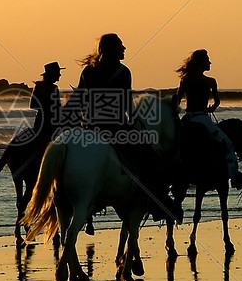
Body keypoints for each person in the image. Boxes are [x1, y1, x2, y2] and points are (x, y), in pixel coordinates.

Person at [73, 33, 182, 227]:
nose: (124, 48)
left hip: (90, 127)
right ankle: (158, 204)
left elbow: (79, 100)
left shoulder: (88, 71)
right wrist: (134, 121)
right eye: (120, 46)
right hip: (115, 128)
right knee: (149, 157)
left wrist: (81, 122)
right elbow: (126, 102)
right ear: (111, 49)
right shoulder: (123, 71)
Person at [176, 49, 242, 190]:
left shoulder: (186, 79)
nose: (210, 62)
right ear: (200, 63)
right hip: (202, 118)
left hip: (188, 118)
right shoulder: (210, 81)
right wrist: (211, 108)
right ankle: (235, 177)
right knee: (228, 144)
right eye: (207, 60)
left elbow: (176, 101)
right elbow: (217, 102)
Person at [30, 61, 64, 147]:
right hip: (50, 123)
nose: (60, 75)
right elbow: (58, 108)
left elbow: (33, 105)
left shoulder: (39, 86)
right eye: (58, 72)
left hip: (39, 122)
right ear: (53, 74)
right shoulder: (54, 88)